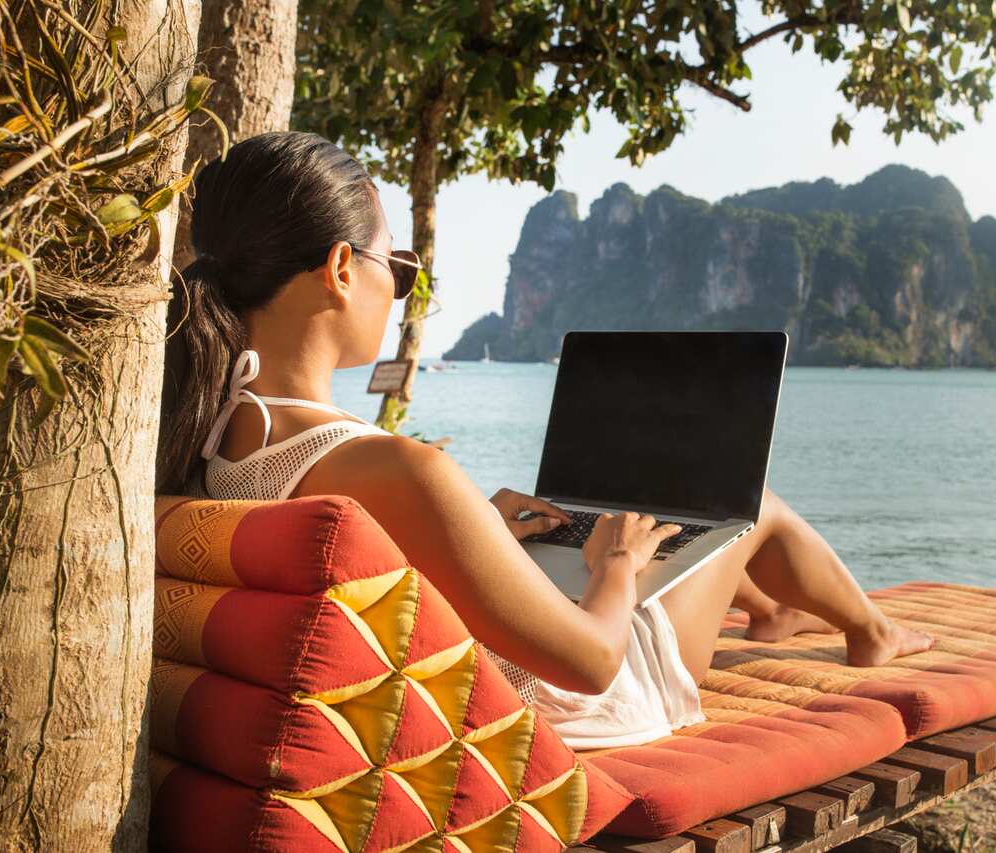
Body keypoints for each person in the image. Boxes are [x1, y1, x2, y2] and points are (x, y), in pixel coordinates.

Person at [157, 132, 934, 749]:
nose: (400, 283)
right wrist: (618, 563)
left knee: (647, 534)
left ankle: (766, 609)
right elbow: (594, 662)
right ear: (338, 268)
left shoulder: (209, 439)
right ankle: (873, 630)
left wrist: (477, 527)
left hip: (460, 673)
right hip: (571, 705)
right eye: (397, 262)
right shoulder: (396, 468)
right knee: (743, 504)